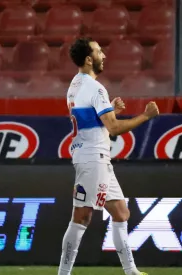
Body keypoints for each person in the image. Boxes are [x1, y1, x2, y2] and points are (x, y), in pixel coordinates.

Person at [58, 37, 159, 275]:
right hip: (93, 157)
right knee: (81, 216)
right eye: (99, 51)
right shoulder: (95, 88)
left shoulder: (75, 84)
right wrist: (146, 116)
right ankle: (63, 273)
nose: (104, 55)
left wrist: (109, 108)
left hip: (94, 156)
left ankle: (131, 271)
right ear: (88, 59)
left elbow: (91, 119)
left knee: (121, 212)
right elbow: (113, 128)